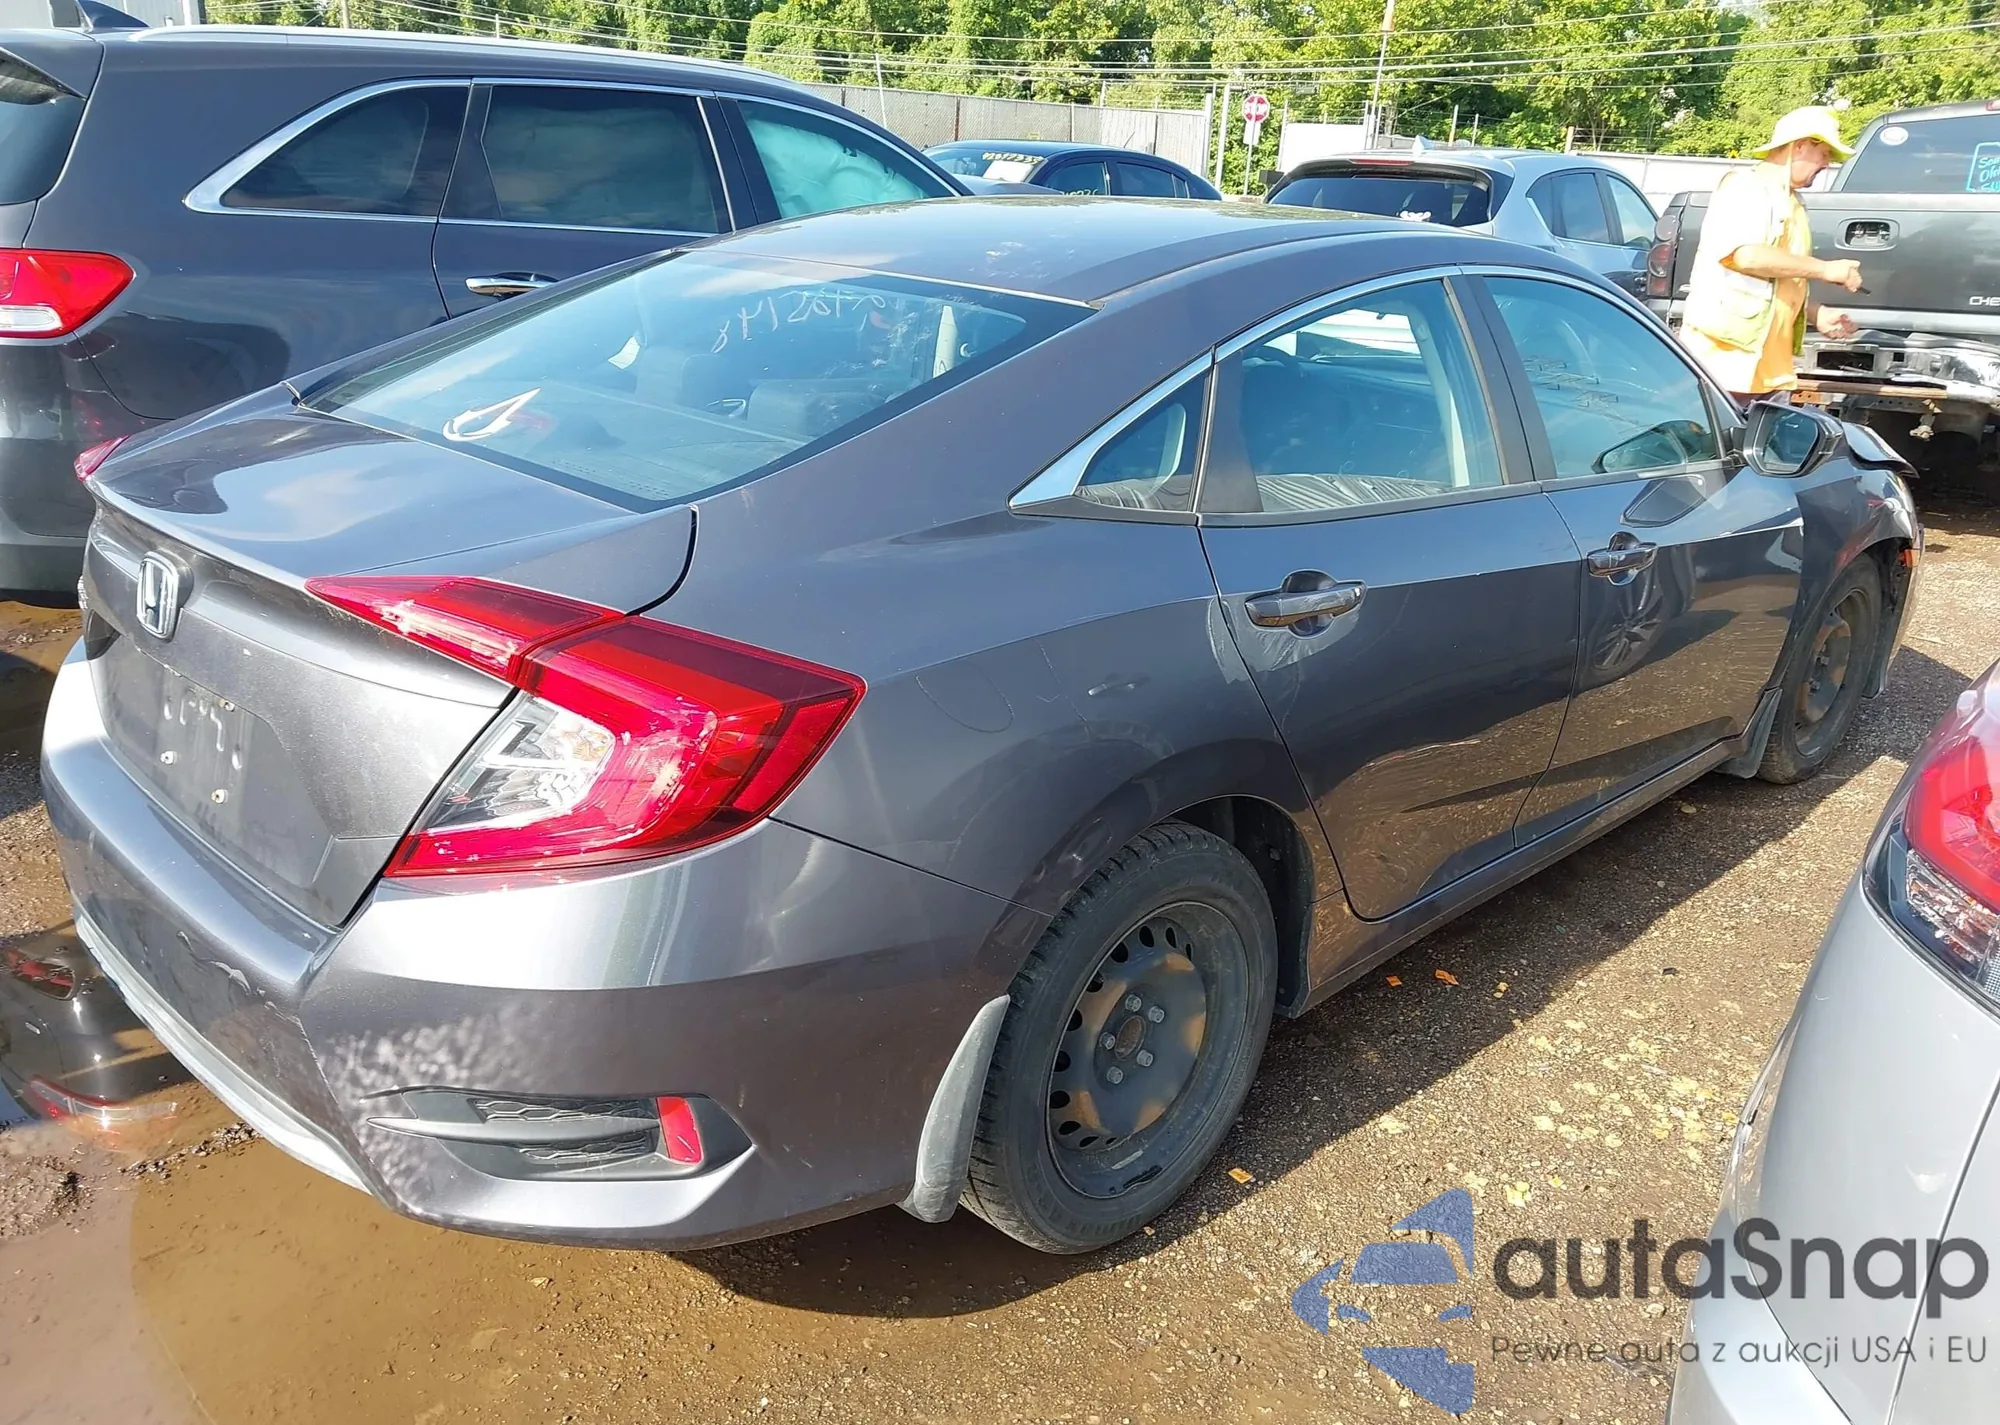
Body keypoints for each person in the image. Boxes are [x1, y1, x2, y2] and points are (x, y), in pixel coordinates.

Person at [1680, 106, 1865, 405]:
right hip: (1725, 367)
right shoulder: (1745, 187)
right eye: (1824, 154)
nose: (1826, 164)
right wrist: (1825, 270)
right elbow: (1746, 256)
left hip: (1768, 372)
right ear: (1799, 146)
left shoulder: (1790, 200)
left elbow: (1775, 282)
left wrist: (1815, 313)